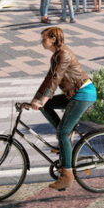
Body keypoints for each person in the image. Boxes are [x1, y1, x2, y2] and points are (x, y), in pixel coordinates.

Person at [25, 25, 95, 191]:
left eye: (44, 39)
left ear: (53, 39)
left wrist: (44, 98)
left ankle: (67, 176)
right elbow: (48, 79)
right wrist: (36, 100)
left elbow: (56, 79)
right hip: (74, 93)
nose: (42, 42)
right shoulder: (55, 56)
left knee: (62, 132)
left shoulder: (64, 54)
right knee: (46, 108)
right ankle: (65, 138)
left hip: (83, 93)